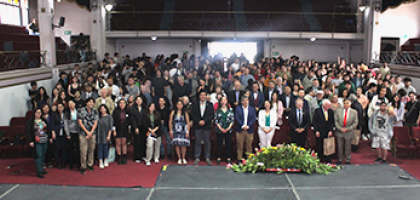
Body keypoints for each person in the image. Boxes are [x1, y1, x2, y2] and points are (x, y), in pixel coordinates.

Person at [26, 108, 52, 178]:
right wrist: (30, 141)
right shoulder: (31, 122)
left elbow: (48, 129)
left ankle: (41, 168)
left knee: (43, 154)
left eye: (40, 112)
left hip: (44, 139)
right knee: (38, 155)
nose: (39, 114)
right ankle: (38, 170)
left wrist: (50, 137)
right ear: (34, 114)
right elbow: (28, 132)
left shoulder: (44, 120)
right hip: (36, 141)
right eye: (37, 112)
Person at [191, 91, 215, 166]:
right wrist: (198, 121)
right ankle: (197, 157)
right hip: (197, 125)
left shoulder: (210, 105)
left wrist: (204, 121)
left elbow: (211, 115)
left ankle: (207, 157)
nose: (202, 96)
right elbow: (193, 114)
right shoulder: (195, 104)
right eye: (201, 95)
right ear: (199, 96)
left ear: (206, 96)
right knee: (197, 141)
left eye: (204, 95)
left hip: (206, 126)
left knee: (207, 142)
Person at [78, 97, 99, 175]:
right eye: (90, 102)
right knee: (83, 151)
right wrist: (87, 132)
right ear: (86, 103)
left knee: (91, 149)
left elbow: (96, 122)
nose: (91, 103)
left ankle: (90, 164)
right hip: (83, 133)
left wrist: (91, 133)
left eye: (93, 102)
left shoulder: (95, 111)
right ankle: (83, 166)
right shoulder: (81, 110)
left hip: (92, 133)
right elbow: (80, 122)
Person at [334, 98, 358, 165]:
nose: (346, 104)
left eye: (347, 103)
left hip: (349, 132)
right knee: (339, 146)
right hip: (339, 131)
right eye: (344, 103)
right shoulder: (338, 111)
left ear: (350, 104)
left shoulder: (354, 112)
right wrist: (340, 128)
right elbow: (335, 121)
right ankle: (340, 159)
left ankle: (348, 159)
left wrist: (348, 129)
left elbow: (355, 123)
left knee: (348, 146)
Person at [235, 96, 257, 164]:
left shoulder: (252, 109)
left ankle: (249, 160)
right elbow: (236, 117)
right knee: (240, 145)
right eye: (243, 100)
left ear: (248, 101)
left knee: (249, 146)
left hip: (249, 130)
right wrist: (243, 125)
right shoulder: (238, 109)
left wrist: (248, 126)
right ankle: (239, 159)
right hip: (240, 129)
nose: (245, 102)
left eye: (246, 100)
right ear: (241, 102)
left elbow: (253, 118)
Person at [214, 96, 234, 165]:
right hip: (220, 129)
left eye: (225, 100)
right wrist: (220, 128)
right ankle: (219, 157)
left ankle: (228, 157)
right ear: (220, 101)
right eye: (222, 100)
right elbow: (216, 120)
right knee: (219, 143)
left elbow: (232, 120)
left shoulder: (230, 110)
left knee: (228, 144)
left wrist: (228, 128)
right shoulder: (218, 110)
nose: (224, 101)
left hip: (228, 129)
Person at [169, 101, 190, 165]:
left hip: (183, 130)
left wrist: (187, 131)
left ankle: (183, 158)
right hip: (175, 130)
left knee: (183, 145)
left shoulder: (185, 113)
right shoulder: (173, 112)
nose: (179, 106)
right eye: (178, 104)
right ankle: (179, 158)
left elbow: (188, 122)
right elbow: (170, 122)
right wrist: (171, 130)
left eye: (180, 104)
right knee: (177, 144)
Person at [112, 99, 132, 165]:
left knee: (124, 143)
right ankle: (119, 157)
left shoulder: (128, 111)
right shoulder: (115, 111)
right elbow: (113, 122)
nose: (122, 104)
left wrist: (129, 129)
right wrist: (114, 130)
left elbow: (130, 121)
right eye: (120, 103)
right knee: (118, 143)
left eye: (123, 103)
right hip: (117, 128)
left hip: (125, 129)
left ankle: (124, 156)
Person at [51, 103, 68, 169]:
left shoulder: (66, 114)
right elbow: (52, 124)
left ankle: (63, 162)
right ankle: (58, 163)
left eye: (61, 107)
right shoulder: (54, 114)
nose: (59, 108)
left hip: (64, 133)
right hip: (57, 133)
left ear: (63, 107)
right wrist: (53, 132)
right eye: (58, 107)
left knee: (64, 148)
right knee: (56, 148)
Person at [64, 100, 80, 169]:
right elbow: (65, 124)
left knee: (78, 148)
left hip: (78, 132)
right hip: (70, 132)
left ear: (74, 104)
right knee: (70, 149)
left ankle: (78, 163)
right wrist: (67, 134)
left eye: (72, 103)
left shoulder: (78, 111)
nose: (70, 105)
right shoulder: (67, 113)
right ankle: (71, 164)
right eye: (69, 104)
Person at [97, 104, 113, 169]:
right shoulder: (98, 117)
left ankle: (106, 159)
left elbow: (110, 127)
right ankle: (100, 161)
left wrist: (109, 135)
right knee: (100, 148)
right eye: (101, 109)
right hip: (99, 134)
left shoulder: (109, 117)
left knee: (106, 148)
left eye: (104, 108)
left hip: (106, 134)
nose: (103, 110)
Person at [131, 96, 146, 163]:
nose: (139, 101)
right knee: (137, 142)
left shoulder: (144, 108)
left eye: (140, 100)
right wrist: (135, 127)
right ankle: (137, 157)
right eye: (137, 100)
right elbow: (132, 119)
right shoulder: (133, 109)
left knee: (143, 141)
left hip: (143, 127)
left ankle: (143, 155)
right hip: (136, 127)